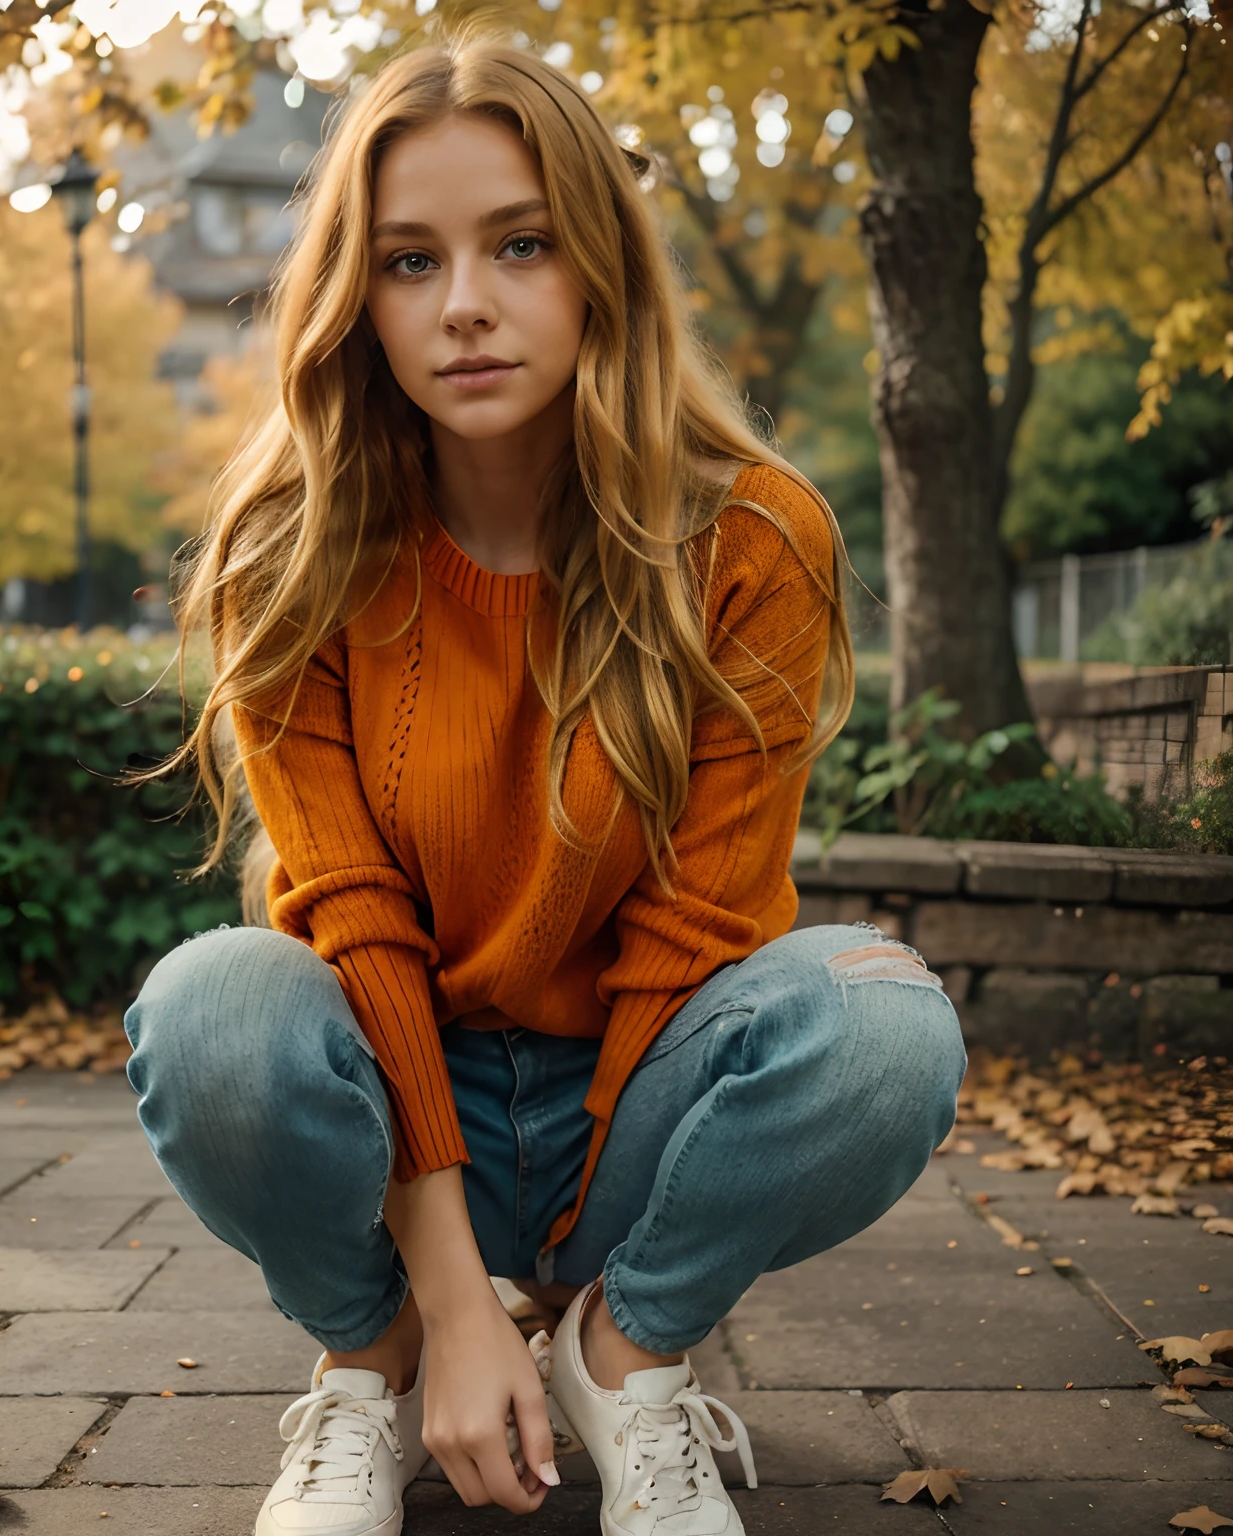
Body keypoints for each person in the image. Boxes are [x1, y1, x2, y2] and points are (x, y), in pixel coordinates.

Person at [124, 36, 966, 1536]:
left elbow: (703, 926)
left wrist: (578, 1285)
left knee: (887, 1028)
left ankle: (620, 1358)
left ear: (599, 270)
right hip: (397, 1098)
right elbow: (353, 922)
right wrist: (451, 1306)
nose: (465, 304)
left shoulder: (752, 542)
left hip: (634, 1111)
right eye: (406, 260)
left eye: (521, 243)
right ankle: (368, 1365)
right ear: (354, 301)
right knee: (215, 1011)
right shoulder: (288, 557)